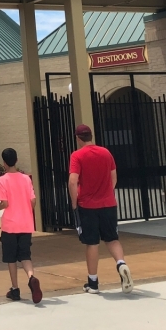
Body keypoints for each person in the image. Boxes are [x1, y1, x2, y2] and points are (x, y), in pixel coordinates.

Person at [68, 124, 133, 294]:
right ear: (91, 135)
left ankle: (93, 282)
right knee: (112, 239)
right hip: (108, 204)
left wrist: (74, 202)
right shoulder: (106, 152)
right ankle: (121, 263)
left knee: (92, 243)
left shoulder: (77, 156)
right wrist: (107, 193)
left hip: (88, 205)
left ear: (77, 138)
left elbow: (73, 181)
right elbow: (114, 177)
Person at [0, 148, 42, 304]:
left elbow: (5, 203)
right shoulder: (26, 179)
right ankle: (31, 277)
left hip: (10, 225)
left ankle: (15, 289)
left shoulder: (2, 180)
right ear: (16, 160)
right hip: (25, 223)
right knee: (25, 255)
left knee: (11, 258)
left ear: (4, 163)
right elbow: (33, 201)